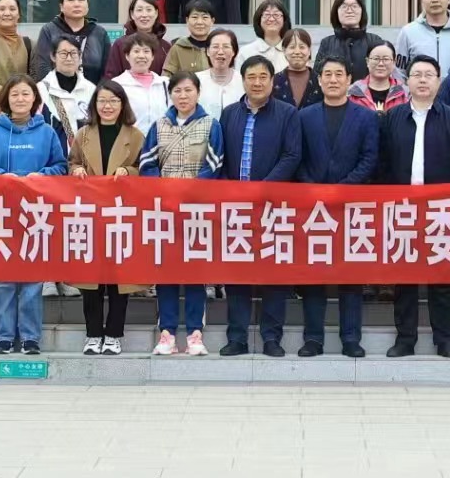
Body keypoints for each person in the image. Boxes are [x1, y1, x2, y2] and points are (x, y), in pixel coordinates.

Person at [378, 57, 450, 358]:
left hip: (440, 208)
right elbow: (382, 163)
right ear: (406, 81)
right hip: (402, 207)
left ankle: (444, 339)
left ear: (438, 81)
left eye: (428, 75)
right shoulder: (392, 117)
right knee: (404, 276)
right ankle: (405, 339)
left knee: (441, 276)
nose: (422, 80)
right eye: (416, 74)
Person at [0, 75, 68, 355]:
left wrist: (41, 176)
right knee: (2, 278)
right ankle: (4, 336)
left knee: (32, 279)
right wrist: (2, 176)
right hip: (1, 213)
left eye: (26, 94)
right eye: (15, 94)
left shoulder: (47, 132)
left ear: (35, 99)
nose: (20, 99)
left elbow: (60, 166)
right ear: (6, 99)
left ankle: (30, 337)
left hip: (36, 214)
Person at [218, 56, 302, 357]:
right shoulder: (229, 114)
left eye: (263, 77)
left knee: (273, 274)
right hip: (236, 206)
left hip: (273, 205)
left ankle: (271, 338)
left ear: (272, 81)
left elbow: (292, 156)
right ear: (243, 80)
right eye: (251, 77)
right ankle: (237, 337)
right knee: (236, 273)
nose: (257, 82)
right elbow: (221, 156)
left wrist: (262, 189)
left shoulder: (287, 113)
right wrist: (230, 189)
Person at [296, 56, 379, 358]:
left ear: (349, 80)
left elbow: (370, 158)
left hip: (351, 206)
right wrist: (316, 190)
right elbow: (297, 157)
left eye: (339, 74)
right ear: (319, 80)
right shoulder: (304, 116)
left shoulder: (366, 117)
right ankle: (313, 339)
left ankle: (351, 339)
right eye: (327, 74)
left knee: (351, 275)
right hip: (313, 208)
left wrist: (342, 189)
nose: (333, 80)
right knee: (313, 276)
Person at [139, 71, 224, 356]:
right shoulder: (158, 125)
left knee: (195, 270)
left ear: (198, 93)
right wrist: (164, 192)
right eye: (177, 91)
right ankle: (167, 332)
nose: (183, 96)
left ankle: (195, 333)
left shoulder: (211, 125)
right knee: (166, 270)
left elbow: (214, 164)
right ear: (170, 95)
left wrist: (190, 194)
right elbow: (147, 163)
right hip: (164, 209)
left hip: (197, 209)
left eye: (188, 90)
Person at [69, 80, 148, 356]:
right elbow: (73, 161)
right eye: (102, 100)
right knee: (91, 279)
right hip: (90, 215)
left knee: (118, 278)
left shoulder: (135, 135)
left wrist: (129, 172)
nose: (107, 106)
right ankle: (93, 334)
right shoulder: (83, 134)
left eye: (114, 101)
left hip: (121, 214)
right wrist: (76, 170)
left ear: (122, 104)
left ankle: (114, 333)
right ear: (94, 104)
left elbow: (144, 168)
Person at [31, 0, 110, 85]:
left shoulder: (99, 33)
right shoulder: (49, 30)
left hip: (93, 93)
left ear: (87, 6)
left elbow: (107, 72)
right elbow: (42, 68)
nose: (76, 4)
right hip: (56, 92)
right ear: (61, 6)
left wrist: (96, 92)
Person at [314, 0, 386, 81]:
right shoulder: (327, 43)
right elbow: (317, 75)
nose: (349, 11)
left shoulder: (374, 40)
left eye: (354, 6)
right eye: (344, 6)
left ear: (362, 11)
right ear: (336, 12)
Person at [36, 35, 95, 141]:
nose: (69, 58)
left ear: (80, 56)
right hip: (52, 149)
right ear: (53, 56)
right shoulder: (41, 90)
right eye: (63, 53)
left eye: (73, 53)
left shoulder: (91, 89)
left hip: (85, 149)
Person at [111, 31, 171, 135]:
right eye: (136, 51)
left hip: (160, 142)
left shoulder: (165, 83)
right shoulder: (117, 85)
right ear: (127, 56)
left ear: (152, 56)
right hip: (130, 142)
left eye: (146, 51)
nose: (141, 56)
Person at [103, 0, 170, 79]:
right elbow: (110, 78)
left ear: (156, 13)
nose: (144, 15)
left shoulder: (166, 47)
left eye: (149, 10)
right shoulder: (120, 44)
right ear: (132, 14)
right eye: (139, 10)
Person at [347, 39, 409, 115]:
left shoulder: (405, 93)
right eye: (376, 59)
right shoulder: (352, 92)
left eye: (386, 59)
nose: (381, 64)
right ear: (367, 61)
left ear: (394, 62)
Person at [196, 28, 243, 117]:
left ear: (234, 52)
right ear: (207, 51)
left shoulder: (243, 80)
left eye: (226, 47)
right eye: (215, 47)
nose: (220, 52)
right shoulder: (196, 80)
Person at [163, 0, 216, 77]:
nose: (199, 22)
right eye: (195, 17)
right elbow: (166, 78)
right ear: (187, 20)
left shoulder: (218, 47)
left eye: (205, 17)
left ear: (212, 21)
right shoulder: (178, 48)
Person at [237, 0, 292, 74]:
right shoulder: (245, 52)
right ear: (259, 19)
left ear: (284, 20)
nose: (271, 19)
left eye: (276, 15)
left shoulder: (293, 51)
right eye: (267, 15)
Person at [273, 28, 321, 111]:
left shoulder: (321, 81)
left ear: (309, 50)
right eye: (292, 47)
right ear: (284, 50)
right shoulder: (273, 80)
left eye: (302, 47)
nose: (297, 52)